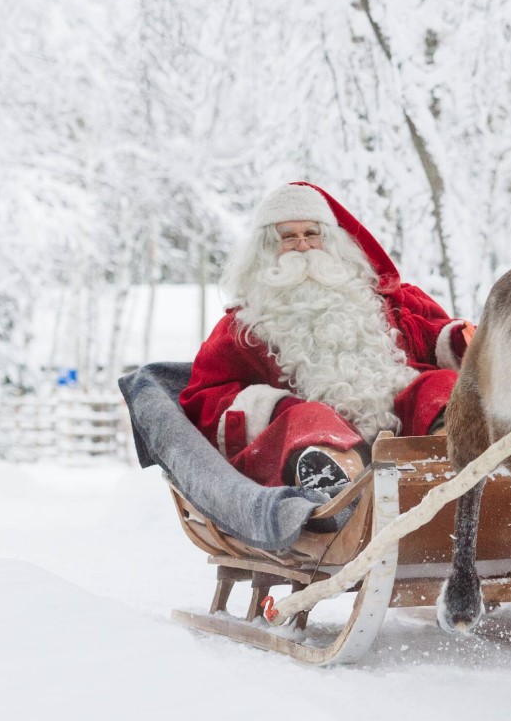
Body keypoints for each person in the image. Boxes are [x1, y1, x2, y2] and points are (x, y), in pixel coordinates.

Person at [179, 182, 471, 492]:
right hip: (315, 446)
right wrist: (275, 408)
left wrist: (467, 342)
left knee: (439, 386)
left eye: (312, 234)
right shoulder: (242, 326)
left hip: (409, 434)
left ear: (331, 241)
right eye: (288, 237)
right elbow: (206, 397)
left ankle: (450, 460)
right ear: (265, 248)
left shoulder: (387, 300)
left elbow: (440, 335)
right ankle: (341, 485)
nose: (303, 246)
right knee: (305, 418)